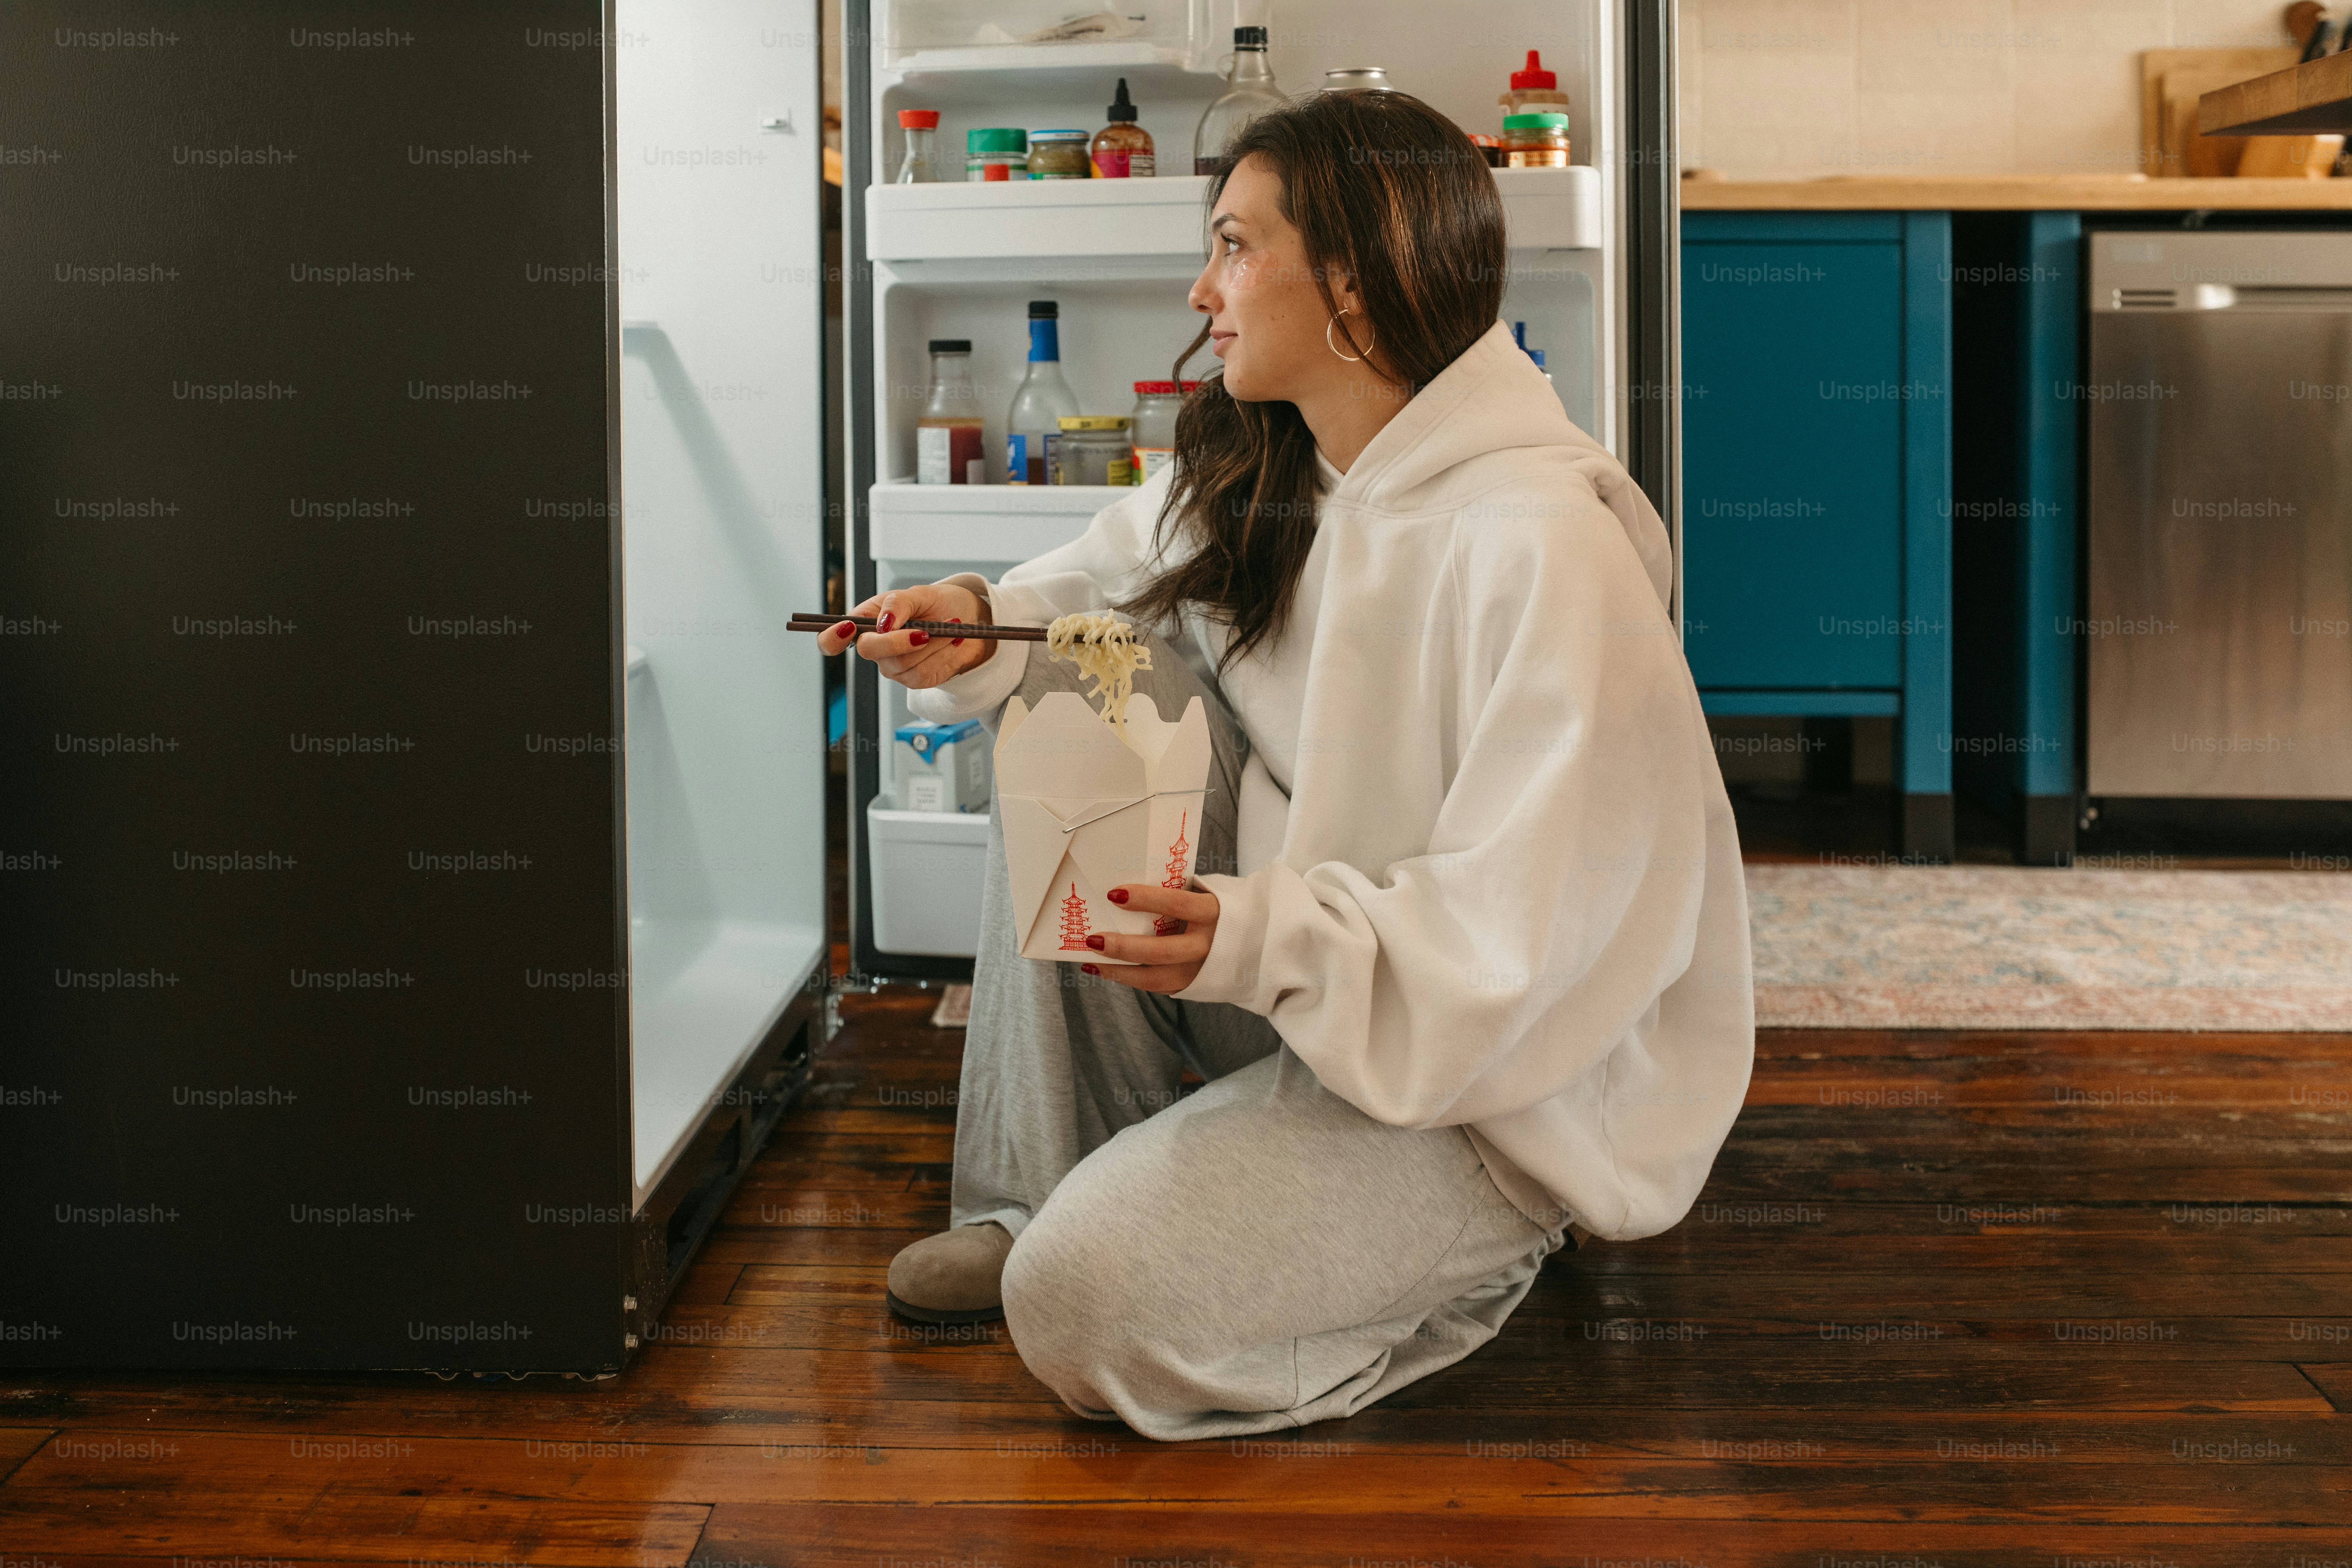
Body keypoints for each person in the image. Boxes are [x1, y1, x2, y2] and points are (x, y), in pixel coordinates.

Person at [819, 91, 1752, 1442]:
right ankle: (1029, 1194)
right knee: (1087, 677)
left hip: (1498, 1080)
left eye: (1237, 247)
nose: (1205, 290)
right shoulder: (1269, 458)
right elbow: (1096, 591)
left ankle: (1476, 1260)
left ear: (1358, 285)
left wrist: (1256, 935)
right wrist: (975, 612)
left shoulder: (1544, 544)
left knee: (1079, 1310)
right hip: (1307, 983)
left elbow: (1528, 942)